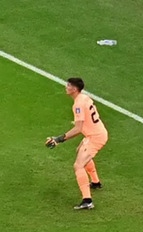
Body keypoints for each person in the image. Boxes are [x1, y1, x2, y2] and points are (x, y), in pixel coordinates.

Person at [45, 78, 109, 210]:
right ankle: (96, 182)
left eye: (69, 85)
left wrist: (58, 139)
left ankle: (87, 200)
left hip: (95, 137)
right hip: (97, 132)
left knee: (78, 165)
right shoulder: (85, 98)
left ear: (75, 89)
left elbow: (78, 129)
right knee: (80, 150)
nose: (66, 87)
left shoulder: (78, 105)